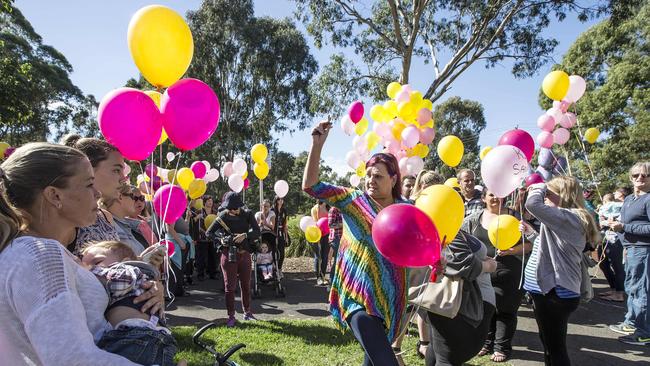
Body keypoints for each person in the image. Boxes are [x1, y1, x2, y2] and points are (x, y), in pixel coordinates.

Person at [0, 142, 170, 365]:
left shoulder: (29, 252)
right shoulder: (40, 254)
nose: (97, 192)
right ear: (54, 195)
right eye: (89, 184)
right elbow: (73, 358)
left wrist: (142, 285)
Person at [303, 120, 407, 366]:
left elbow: (421, 245)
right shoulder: (353, 200)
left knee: (372, 361)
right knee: (386, 363)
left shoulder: (406, 209)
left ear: (393, 179)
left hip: (389, 299)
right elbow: (311, 186)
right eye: (369, 175)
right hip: (356, 297)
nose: (371, 180)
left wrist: (437, 258)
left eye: (378, 176)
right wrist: (316, 145)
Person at [523, 177, 601, 365]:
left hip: (555, 292)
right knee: (549, 343)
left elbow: (531, 203)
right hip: (547, 291)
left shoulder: (568, 216)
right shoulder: (565, 217)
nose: (545, 197)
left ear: (564, 196)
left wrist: (538, 186)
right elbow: (555, 248)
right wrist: (532, 235)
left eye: (549, 193)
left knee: (556, 348)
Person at [80, 241, 177, 365]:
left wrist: (93, 271)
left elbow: (120, 282)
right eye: (86, 264)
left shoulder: (127, 269)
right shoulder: (142, 277)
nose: (90, 268)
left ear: (124, 260)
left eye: (97, 262)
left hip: (134, 335)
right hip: (151, 337)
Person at [463, 189, 531, 363]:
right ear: (484, 198)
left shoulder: (517, 218)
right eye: (491, 195)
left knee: (506, 311)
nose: (496, 198)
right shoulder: (474, 219)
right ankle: (486, 343)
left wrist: (513, 250)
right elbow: (461, 239)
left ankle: (502, 347)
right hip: (482, 273)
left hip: (510, 272)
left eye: (499, 194)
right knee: (486, 310)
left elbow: (532, 243)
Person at [392, 169, 444, 363]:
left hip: (426, 261)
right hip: (409, 262)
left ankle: (424, 343)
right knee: (407, 306)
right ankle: (395, 348)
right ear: (422, 187)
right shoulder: (410, 204)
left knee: (423, 304)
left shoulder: (435, 205)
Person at [424, 230, 497, 366]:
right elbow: (463, 264)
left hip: (456, 303)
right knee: (449, 357)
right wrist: (489, 265)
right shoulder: (443, 227)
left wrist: (483, 258)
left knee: (440, 352)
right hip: (461, 304)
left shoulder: (453, 226)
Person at [608, 162, 650, 345]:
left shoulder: (648, 199)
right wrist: (614, 223)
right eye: (635, 175)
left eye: (645, 175)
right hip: (631, 249)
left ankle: (644, 332)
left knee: (642, 291)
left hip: (644, 250)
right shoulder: (629, 199)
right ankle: (631, 322)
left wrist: (625, 227)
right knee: (632, 288)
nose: (639, 178)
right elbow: (626, 223)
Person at [206, 192, 260, 327]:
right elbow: (209, 233)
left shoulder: (248, 214)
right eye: (228, 208)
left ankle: (247, 312)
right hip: (228, 254)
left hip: (244, 253)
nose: (230, 211)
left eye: (233, 208)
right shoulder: (223, 215)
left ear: (239, 207)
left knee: (246, 285)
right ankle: (231, 316)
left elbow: (257, 232)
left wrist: (245, 235)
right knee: (229, 287)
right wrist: (221, 240)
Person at [104, 183, 149, 255]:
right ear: (120, 197)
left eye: (142, 198)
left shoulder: (127, 225)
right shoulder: (112, 228)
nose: (134, 201)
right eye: (132, 196)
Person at [597, 193, 625, 302]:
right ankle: (614, 289)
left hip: (616, 239)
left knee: (617, 266)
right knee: (603, 263)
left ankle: (619, 293)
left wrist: (606, 221)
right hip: (605, 238)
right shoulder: (604, 208)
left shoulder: (621, 207)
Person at [192, 195, 218, 281]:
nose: (210, 202)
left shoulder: (215, 212)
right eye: (208, 201)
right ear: (204, 202)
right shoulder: (199, 211)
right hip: (201, 237)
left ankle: (213, 273)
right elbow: (194, 223)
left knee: (213, 256)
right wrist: (197, 218)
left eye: (211, 201)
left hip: (212, 237)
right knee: (201, 257)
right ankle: (200, 274)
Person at [311, 199, 330, 285]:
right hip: (317, 234)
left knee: (325, 256)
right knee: (318, 256)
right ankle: (318, 277)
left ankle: (323, 276)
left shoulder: (329, 208)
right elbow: (315, 222)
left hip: (327, 234)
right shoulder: (314, 209)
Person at [272, 195, 289, 272]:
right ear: (276, 200)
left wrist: (286, 236)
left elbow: (285, 224)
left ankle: (279, 269)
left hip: (281, 233)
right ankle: (273, 269)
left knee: (282, 254)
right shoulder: (272, 210)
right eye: (279, 199)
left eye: (282, 199)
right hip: (273, 233)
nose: (281, 201)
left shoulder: (284, 210)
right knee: (273, 252)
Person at [327, 206, 343, 281]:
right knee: (337, 261)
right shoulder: (333, 210)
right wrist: (343, 224)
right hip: (336, 238)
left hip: (342, 238)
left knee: (341, 261)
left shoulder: (343, 207)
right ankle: (331, 281)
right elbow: (330, 225)